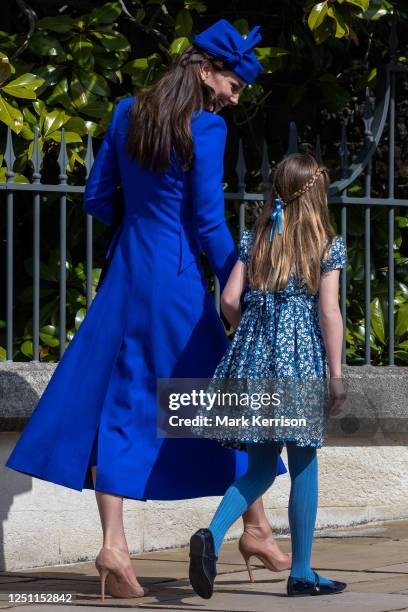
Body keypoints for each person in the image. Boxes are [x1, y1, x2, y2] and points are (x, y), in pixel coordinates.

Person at [5, 19, 289, 601]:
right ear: (207, 71)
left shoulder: (126, 111)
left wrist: (138, 228)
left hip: (126, 275)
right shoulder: (206, 128)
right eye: (234, 85)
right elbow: (209, 220)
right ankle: (255, 526)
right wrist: (239, 276)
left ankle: (116, 547)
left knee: (124, 399)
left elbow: (95, 197)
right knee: (221, 397)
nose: (235, 98)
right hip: (177, 281)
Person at [189, 153, 348, 599]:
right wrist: (336, 374)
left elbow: (229, 299)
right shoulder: (326, 244)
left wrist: (255, 333)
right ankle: (301, 572)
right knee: (303, 465)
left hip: (253, 361)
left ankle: (211, 535)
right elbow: (329, 310)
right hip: (299, 364)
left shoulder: (255, 237)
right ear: (316, 194)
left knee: (259, 467)